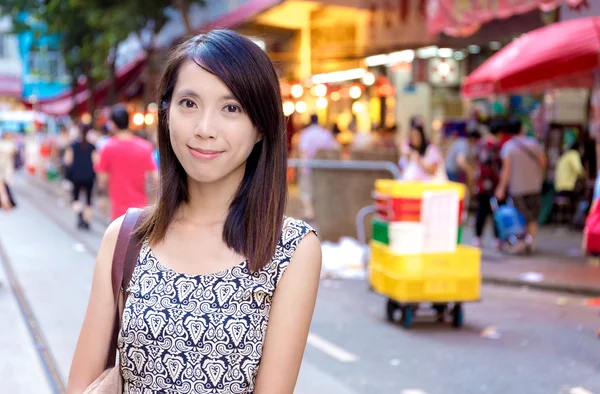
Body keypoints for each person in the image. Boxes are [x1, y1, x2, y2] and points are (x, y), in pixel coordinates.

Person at [68, 30, 322, 394]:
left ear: (262, 128)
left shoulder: (290, 249)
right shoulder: (126, 238)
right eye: (189, 103)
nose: (205, 129)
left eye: (231, 108)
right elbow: (81, 387)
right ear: (167, 114)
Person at [95, 104, 159, 220]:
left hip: (118, 212)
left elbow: (102, 180)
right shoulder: (145, 147)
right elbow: (155, 178)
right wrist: (152, 202)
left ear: (113, 125)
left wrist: (103, 196)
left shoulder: (108, 147)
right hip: (141, 210)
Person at [496, 120, 547, 250]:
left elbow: (506, 170)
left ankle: (521, 242)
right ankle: (531, 242)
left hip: (517, 187)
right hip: (534, 185)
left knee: (520, 215)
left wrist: (501, 188)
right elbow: (543, 162)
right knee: (533, 216)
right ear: (522, 129)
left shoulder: (508, 147)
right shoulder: (533, 143)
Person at [297, 113, 339, 220]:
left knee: (306, 191)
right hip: (323, 169)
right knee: (319, 191)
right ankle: (317, 213)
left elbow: (303, 151)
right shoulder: (325, 133)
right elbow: (335, 147)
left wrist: (302, 166)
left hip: (308, 167)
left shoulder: (306, 133)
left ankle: (309, 213)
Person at [472, 120, 503, 248]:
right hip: (493, 183)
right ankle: (497, 239)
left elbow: (476, 160)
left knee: (481, 211)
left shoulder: (481, 144)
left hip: (482, 183)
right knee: (496, 211)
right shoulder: (496, 145)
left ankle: (477, 238)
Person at [63, 123, 98, 230]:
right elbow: (96, 162)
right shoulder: (92, 146)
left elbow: (67, 160)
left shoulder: (73, 146)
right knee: (88, 199)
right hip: (89, 176)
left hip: (76, 176)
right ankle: (87, 221)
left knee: (76, 198)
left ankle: (80, 217)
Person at [554, 141, 585, 208]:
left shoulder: (565, 155)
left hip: (558, 188)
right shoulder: (574, 154)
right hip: (568, 188)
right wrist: (585, 176)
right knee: (583, 199)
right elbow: (579, 170)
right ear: (579, 148)